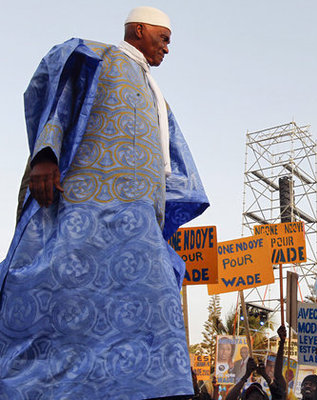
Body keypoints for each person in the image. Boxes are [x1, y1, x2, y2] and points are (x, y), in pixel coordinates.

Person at [0, 6, 209, 399]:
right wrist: (46, 155)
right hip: (84, 209)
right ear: (139, 29)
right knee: (58, 300)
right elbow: (57, 97)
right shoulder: (99, 56)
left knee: (156, 316)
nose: (167, 49)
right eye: (163, 39)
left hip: (138, 225)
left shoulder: (160, 100)